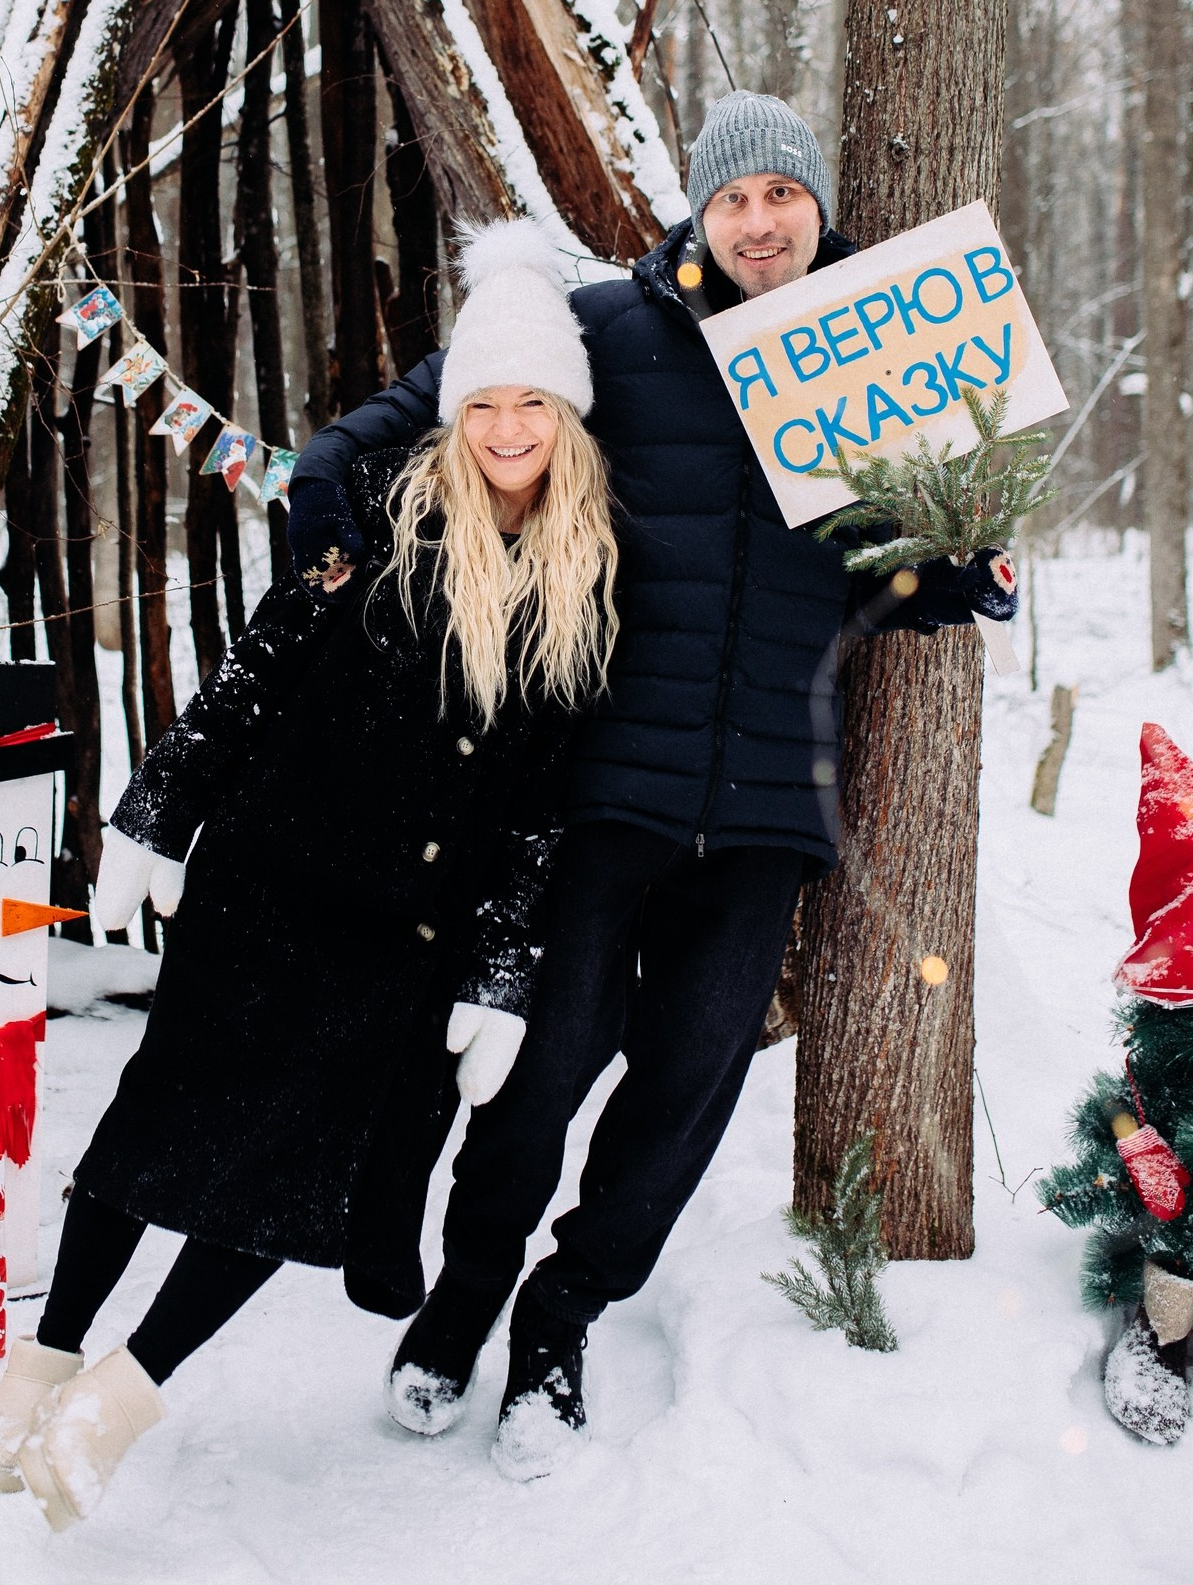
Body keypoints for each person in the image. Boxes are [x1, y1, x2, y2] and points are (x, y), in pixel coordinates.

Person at [285, 89, 1019, 1480]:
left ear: (813, 207)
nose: (759, 223)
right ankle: (460, 1312)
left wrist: (960, 576)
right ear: (700, 210)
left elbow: (887, 563)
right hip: (604, 787)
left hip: (762, 812)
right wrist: (331, 468)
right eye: (734, 199)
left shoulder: (859, 358)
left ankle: (560, 1326)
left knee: (682, 1090)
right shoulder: (609, 332)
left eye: (781, 197)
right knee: (539, 1076)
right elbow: (454, 404)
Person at [0, 223, 619, 1531]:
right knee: (164, 1121)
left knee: (292, 1177)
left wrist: (496, 981)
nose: (502, 428)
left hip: (404, 937)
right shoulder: (371, 520)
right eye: (480, 401)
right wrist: (157, 814)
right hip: (269, 879)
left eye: (529, 402)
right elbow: (253, 676)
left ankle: (115, 1404)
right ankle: (44, 1361)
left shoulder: (591, 588)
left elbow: (547, 808)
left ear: (569, 414)